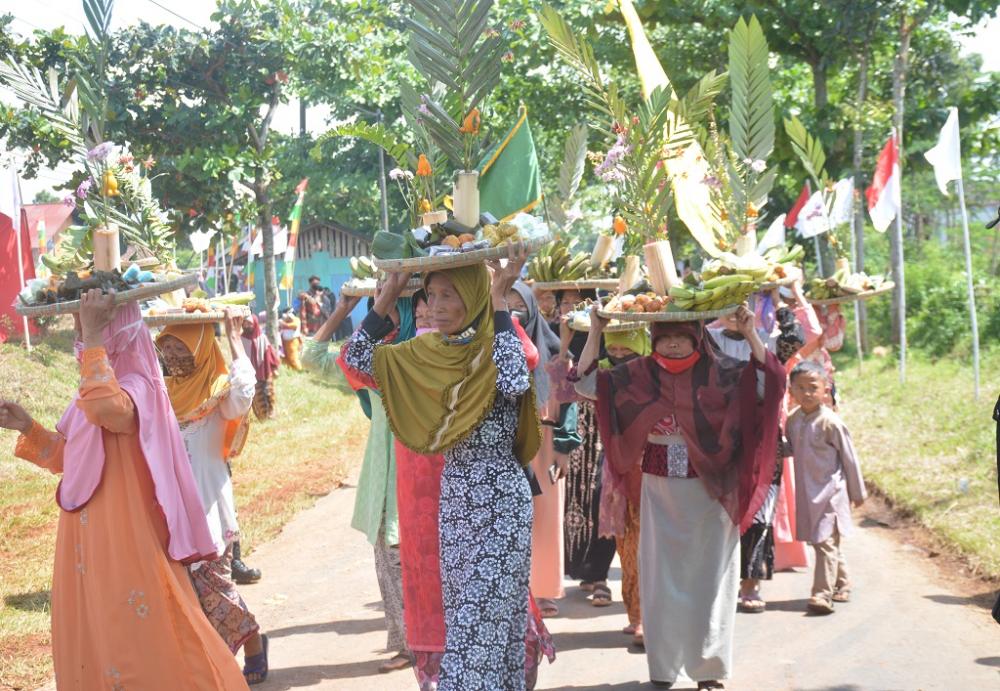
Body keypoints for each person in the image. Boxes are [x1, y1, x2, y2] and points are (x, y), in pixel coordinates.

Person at [0, 292, 250, 690]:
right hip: (85, 538)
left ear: (116, 329)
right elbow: (66, 457)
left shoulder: (138, 387)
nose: (81, 334)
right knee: (99, 630)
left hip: (124, 533)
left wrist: (95, 336)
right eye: (81, 325)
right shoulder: (90, 388)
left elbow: (106, 410)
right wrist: (27, 426)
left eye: (90, 324)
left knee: (135, 632)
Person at [342, 245, 540, 690]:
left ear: (474, 297)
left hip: (500, 504)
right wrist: (388, 295)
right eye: (431, 295)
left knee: (480, 630)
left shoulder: (499, 343)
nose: (437, 306)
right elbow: (357, 362)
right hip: (455, 504)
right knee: (477, 631)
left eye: (451, 294)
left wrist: (500, 300)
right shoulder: (427, 354)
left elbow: (514, 379)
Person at [579, 305, 785, 689]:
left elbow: (769, 382)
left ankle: (709, 671)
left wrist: (750, 334)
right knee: (660, 580)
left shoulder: (723, 372)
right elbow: (586, 383)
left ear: (697, 335)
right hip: (659, 494)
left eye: (682, 334)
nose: (673, 343)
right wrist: (595, 331)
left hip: (712, 494)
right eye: (665, 335)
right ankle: (664, 668)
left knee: (712, 581)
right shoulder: (636, 376)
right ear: (654, 336)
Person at [156, 311, 270, 684]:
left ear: (202, 348)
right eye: (167, 346)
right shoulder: (162, 394)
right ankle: (208, 667)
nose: (172, 355)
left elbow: (244, 394)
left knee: (216, 591)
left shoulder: (220, 391)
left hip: (209, 515)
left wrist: (235, 340)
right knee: (186, 597)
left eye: (180, 346)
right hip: (171, 514)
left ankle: (253, 646)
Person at [706, 295, 806, 613]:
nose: (735, 313)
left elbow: (796, 337)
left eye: (742, 306)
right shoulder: (708, 338)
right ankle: (719, 584)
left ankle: (750, 583)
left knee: (759, 515)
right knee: (723, 514)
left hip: (764, 441)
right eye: (729, 306)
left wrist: (777, 300)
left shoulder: (768, 341)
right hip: (720, 439)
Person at [508, 281, 578, 619]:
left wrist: (565, 446)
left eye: (518, 303)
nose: (511, 310)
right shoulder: (495, 347)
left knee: (547, 517)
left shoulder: (553, 349)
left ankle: (546, 589)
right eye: (504, 303)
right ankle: (518, 589)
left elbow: (567, 401)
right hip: (510, 445)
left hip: (546, 444)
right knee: (515, 518)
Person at [586, 325, 651, 646]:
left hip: (656, 471)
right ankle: (637, 616)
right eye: (615, 351)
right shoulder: (604, 379)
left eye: (629, 351)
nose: (621, 357)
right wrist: (591, 334)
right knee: (628, 549)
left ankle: (656, 617)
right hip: (619, 473)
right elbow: (567, 383)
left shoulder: (658, 377)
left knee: (654, 549)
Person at [786, 360, 867, 615]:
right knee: (825, 542)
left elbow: (849, 458)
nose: (807, 393)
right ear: (791, 391)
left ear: (825, 389)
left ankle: (821, 594)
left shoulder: (831, 422)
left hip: (831, 492)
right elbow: (792, 447)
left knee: (825, 542)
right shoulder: (793, 420)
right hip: (808, 493)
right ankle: (842, 583)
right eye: (800, 388)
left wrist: (858, 493)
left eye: (813, 387)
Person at [553, 289, 616, 607]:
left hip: (603, 429)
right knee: (567, 499)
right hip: (566, 435)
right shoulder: (553, 335)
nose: (570, 308)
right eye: (564, 301)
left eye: (579, 302)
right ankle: (574, 569)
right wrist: (564, 342)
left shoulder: (611, 335)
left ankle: (600, 575)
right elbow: (558, 386)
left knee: (601, 498)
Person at [242, 314, 280, 421]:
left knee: (268, 393)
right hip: (250, 373)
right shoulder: (242, 339)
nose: (247, 326)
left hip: (264, 370)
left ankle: (271, 413)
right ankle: (262, 416)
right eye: (245, 323)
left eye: (249, 323)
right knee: (257, 395)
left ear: (255, 323)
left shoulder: (262, 338)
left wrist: (274, 367)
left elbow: (270, 354)